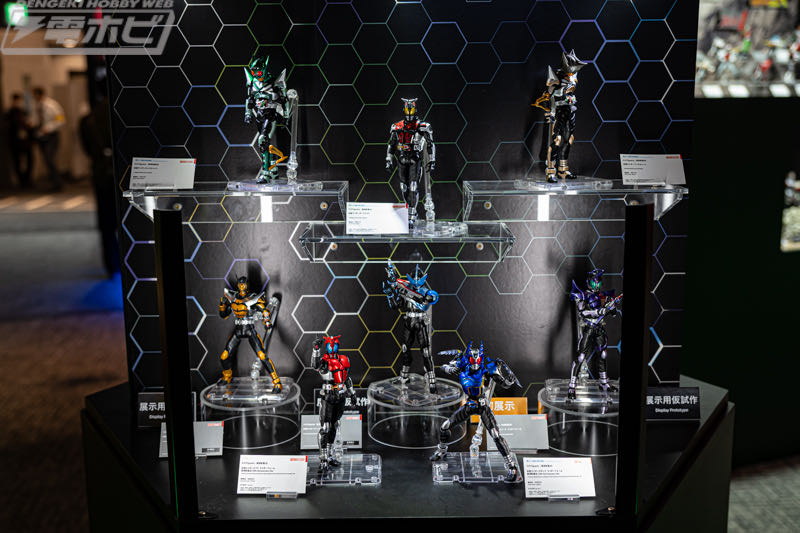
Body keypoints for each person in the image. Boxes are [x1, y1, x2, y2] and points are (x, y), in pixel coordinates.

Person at [31, 87, 65, 191]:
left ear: (39, 94)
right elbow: (36, 119)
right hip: (41, 136)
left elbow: (61, 120)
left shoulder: (52, 105)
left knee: (49, 158)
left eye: (34, 94)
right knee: (46, 160)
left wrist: (49, 128)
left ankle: (58, 183)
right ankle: (53, 182)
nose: (33, 97)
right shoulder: (37, 106)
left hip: (52, 135)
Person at [6, 93, 33, 189]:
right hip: (15, 141)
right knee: (17, 161)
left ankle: (27, 179)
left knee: (29, 160)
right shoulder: (10, 112)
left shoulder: (23, 111)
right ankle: (21, 181)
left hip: (25, 141)